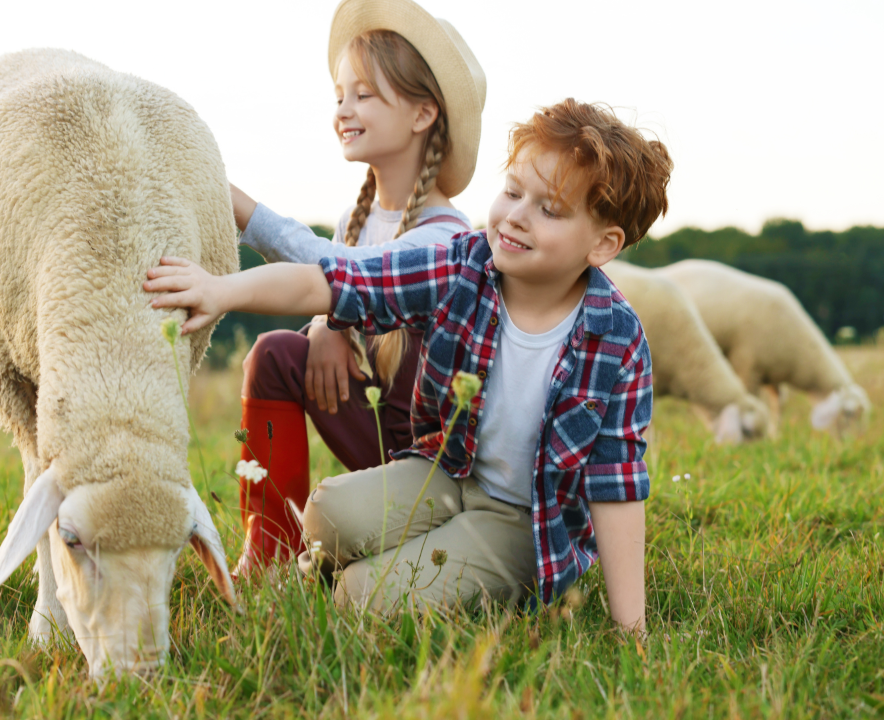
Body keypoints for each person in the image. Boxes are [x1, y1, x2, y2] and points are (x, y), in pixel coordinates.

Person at [145, 98, 673, 632]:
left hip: (524, 520)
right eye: (513, 191)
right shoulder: (463, 264)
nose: (515, 216)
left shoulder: (618, 339)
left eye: (549, 209)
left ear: (603, 244)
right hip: (448, 470)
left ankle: (359, 582)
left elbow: (617, 484)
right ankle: (328, 567)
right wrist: (221, 289)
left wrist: (632, 629)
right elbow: (331, 281)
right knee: (326, 513)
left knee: (364, 595)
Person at [228, 0, 486, 575]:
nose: (344, 109)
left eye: (364, 94)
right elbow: (341, 272)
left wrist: (240, 209)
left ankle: (398, 528)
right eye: (340, 94)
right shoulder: (356, 216)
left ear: (423, 114)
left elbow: (346, 273)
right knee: (274, 353)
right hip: (373, 429)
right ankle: (267, 547)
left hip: (433, 461)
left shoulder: (447, 237)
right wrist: (324, 323)